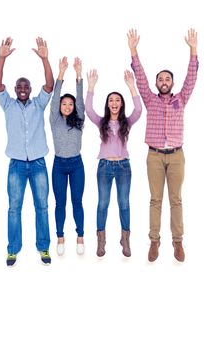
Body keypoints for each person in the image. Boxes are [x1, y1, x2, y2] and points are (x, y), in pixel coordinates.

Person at [128, 28, 198, 262]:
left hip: (177, 156)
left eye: (168, 79)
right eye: (161, 79)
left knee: (176, 199)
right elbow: (140, 77)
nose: (164, 82)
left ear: (172, 83)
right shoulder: (150, 99)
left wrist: (193, 50)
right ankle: (154, 241)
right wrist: (133, 50)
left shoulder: (182, 98)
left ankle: (177, 242)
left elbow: (192, 77)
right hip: (155, 156)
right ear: (157, 83)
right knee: (155, 199)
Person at [0, 37, 54, 266]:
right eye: (18, 86)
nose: (21, 89)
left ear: (30, 89)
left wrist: (45, 59)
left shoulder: (39, 104)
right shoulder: (7, 104)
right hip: (17, 164)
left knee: (42, 206)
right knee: (14, 208)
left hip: (38, 163)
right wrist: (1, 58)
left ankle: (44, 248)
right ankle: (13, 249)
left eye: (25, 86)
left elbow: (49, 85)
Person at [86, 69, 142, 257]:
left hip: (123, 167)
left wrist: (131, 86)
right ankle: (101, 240)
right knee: (103, 203)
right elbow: (88, 110)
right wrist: (91, 87)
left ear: (121, 104)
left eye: (117, 100)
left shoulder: (127, 122)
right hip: (104, 167)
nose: (114, 103)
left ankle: (125, 239)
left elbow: (139, 110)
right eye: (111, 100)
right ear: (108, 104)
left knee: (124, 203)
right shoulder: (101, 122)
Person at [50, 57, 85, 256]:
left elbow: (80, 101)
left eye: (70, 104)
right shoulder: (54, 119)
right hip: (59, 165)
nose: (68, 106)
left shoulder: (79, 119)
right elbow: (54, 99)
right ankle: (60, 236)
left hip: (76, 164)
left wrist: (79, 75)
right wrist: (61, 74)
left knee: (77, 201)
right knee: (60, 203)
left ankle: (80, 236)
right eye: (64, 103)